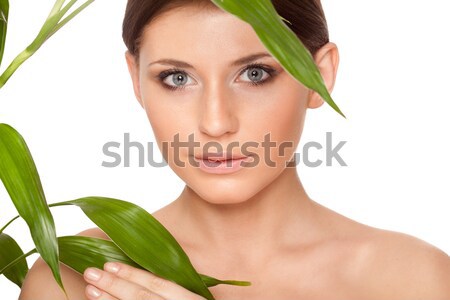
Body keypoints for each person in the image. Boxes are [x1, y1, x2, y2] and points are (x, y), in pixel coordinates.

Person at [19, 0, 450, 299]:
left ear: (319, 75)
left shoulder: (415, 281)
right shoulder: (72, 280)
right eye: (177, 78)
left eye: (256, 74)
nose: (215, 123)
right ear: (136, 79)